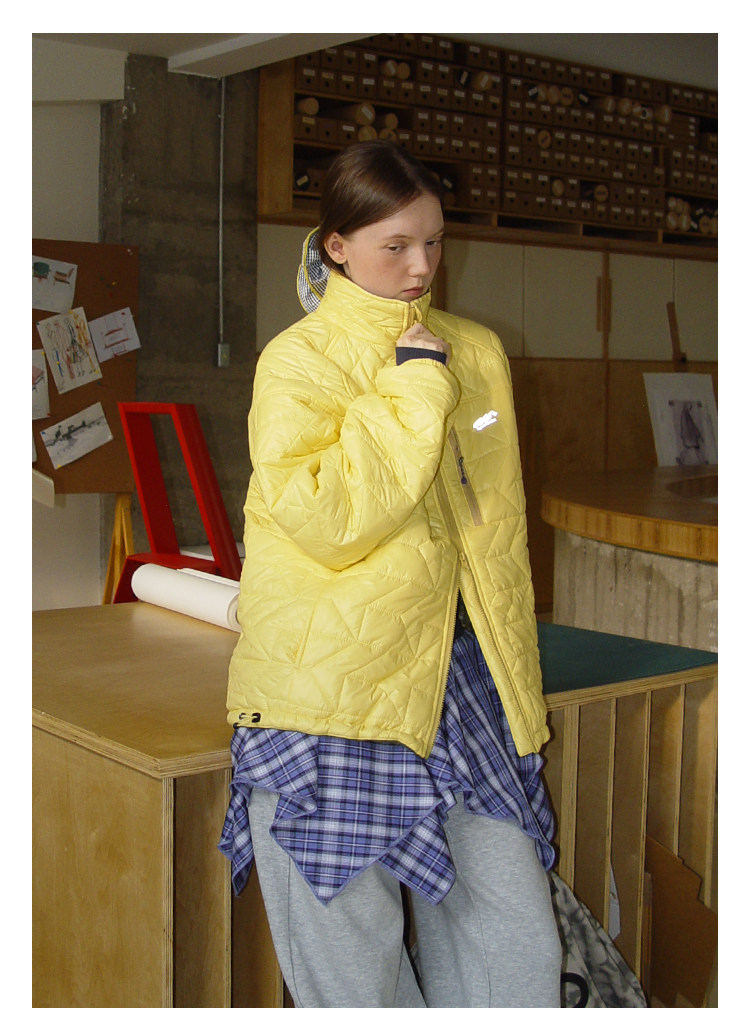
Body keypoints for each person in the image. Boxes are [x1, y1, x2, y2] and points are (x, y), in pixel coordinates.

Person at [220, 139, 562, 1008]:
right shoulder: (298, 358)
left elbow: (491, 526)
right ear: (336, 245)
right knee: (348, 958)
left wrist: (513, 666)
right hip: (333, 684)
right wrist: (413, 388)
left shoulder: (475, 349)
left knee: (514, 925)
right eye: (396, 245)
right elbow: (329, 518)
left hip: (467, 674)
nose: (421, 266)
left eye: (434, 242)